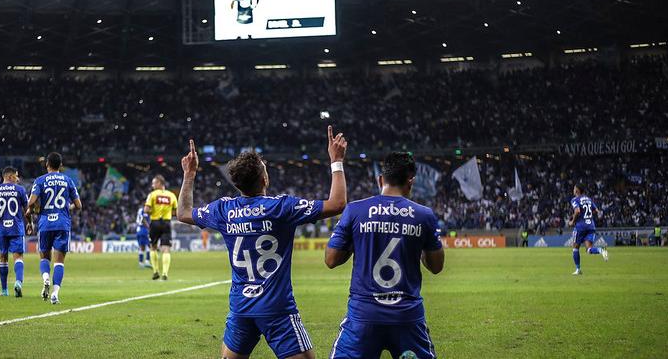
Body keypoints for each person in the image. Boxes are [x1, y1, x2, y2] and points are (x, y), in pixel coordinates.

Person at [177, 125, 348, 359]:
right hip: (276, 309)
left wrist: (189, 175)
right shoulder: (281, 208)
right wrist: (336, 161)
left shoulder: (223, 210)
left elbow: (183, 212)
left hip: (241, 308)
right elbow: (337, 203)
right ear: (264, 178)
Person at [325, 152, 444, 359]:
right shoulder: (424, 215)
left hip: (364, 317)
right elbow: (436, 266)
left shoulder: (355, 211)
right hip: (407, 317)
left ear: (380, 179)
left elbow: (331, 259)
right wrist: (419, 246)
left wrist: (358, 240)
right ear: (411, 182)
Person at [27, 152, 82, 304]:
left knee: (44, 257)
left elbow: (31, 203)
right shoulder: (68, 180)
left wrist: (32, 215)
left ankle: (45, 278)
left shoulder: (40, 180)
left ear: (47, 165)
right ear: (61, 165)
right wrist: (66, 207)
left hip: (45, 223)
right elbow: (79, 205)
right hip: (62, 224)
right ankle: (55, 294)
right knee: (59, 262)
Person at [0, 166, 31, 297]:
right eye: (16, 176)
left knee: (3, 258)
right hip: (16, 228)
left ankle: (4, 290)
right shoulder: (20, 190)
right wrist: (30, 222)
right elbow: (27, 210)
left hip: (2, 229)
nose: (18, 178)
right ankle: (18, 282)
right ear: (10, 176)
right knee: (18, 257)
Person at [569, 183, 608, 275]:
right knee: (589, 249)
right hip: (591, 226)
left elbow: (577, 211)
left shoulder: (575, 199)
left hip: (580, 226)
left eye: (574, 188)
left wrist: (572, 221)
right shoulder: (589, 199)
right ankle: (601, 250)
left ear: (577, 190)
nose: (573, 190)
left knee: (575, 248)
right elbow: (597, 211)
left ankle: (578, 269)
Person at [144, 175, 178, 281]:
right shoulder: (172, 195)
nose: (152, 185)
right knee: (166, 249)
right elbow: (175, 211)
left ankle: (155, 271)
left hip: (155, 222)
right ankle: (165, 273)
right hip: (166, 223)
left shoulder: (152, 195)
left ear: (159, 183)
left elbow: (146, 209)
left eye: (154, 183)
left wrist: (153, 211)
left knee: (153, 247)